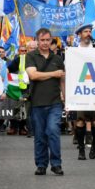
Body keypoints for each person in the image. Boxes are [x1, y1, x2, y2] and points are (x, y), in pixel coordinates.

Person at [26, 28, 65, 176]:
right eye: (42, 40)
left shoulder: (58, 59)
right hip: (37, 102)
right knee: (40, 136)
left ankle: (56, 164)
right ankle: (41, 165)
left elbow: (62, 81)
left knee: (53, 131)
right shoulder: (31, 56)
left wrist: (66, 99)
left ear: (51, 40)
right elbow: (33, 75)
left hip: (55, 102)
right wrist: (53, 74)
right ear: (37, 41)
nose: (45, 43)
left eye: (48, 40)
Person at [72, 23, 95, 160]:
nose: (88, 34)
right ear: (79, 34)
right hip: (80, 90)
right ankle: (81, 149)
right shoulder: (73, 52)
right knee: (80, 121)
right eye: (85, 31)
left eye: (90, 31)